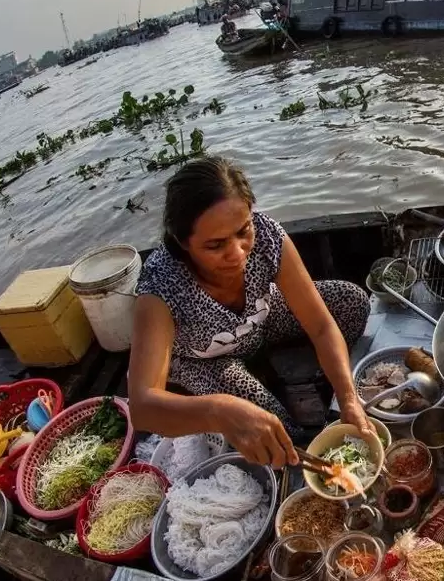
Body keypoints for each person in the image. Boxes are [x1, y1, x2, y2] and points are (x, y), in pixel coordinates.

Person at [128, 156, 375, 469]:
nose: (237, 253)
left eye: (243, 231)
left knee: (352, 302)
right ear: (183, 242)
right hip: (206, 359)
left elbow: (322, 327)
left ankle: (273, 364)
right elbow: (142, 406)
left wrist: (348, 396)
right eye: (215, 245)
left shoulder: (267, 235)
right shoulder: (160, 286)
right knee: (275, 429)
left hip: (262, 320)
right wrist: (219, 410)